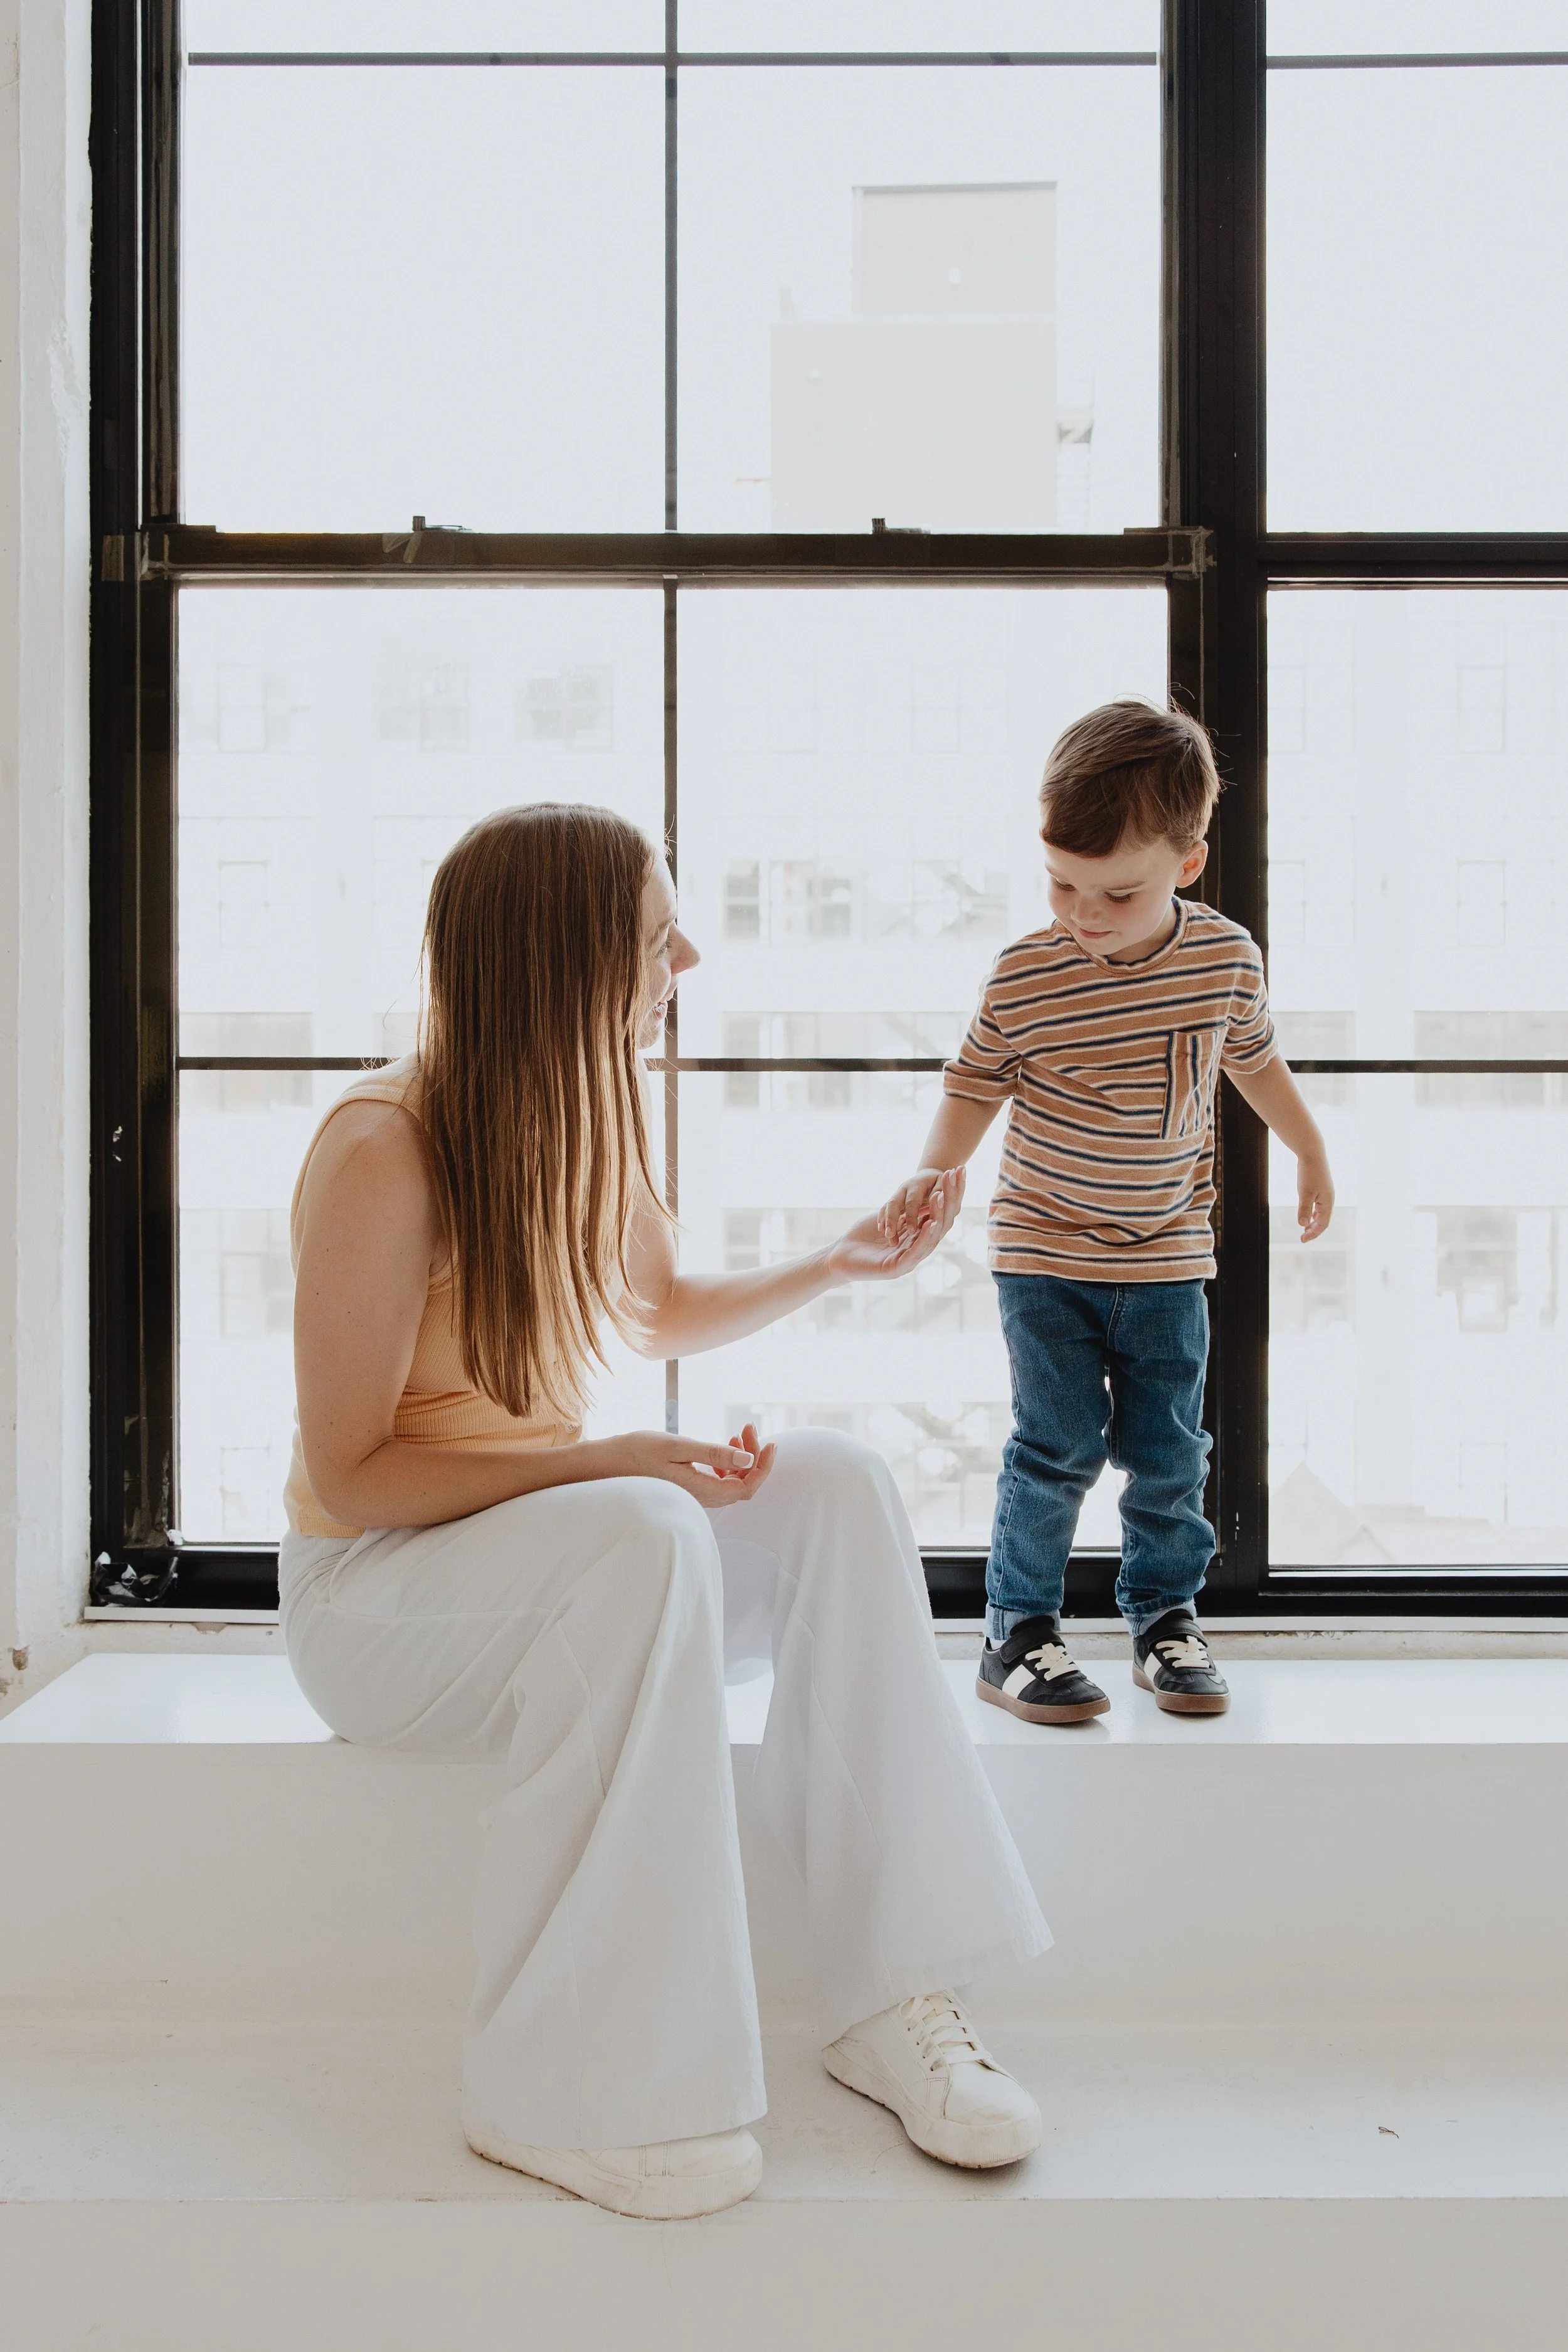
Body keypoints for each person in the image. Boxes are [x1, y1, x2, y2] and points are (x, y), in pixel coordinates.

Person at [280, 801, 1049, 2222]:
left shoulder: (585, 1110)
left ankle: (893, 2001)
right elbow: (354, 1476)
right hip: (376, 1603)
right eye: (652, 933)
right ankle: (567, 2090)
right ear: (559, 959)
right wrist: (609, 1465)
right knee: (637, 1530)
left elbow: (652, 1308)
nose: (684, 956)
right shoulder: (383, 1149)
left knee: (833, 1482)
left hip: (552, 1564)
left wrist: (836, 1263)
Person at [879, 701, 1333, 1725]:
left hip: (1171, 1255)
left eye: (1115, 893)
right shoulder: (1027, 973)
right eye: (1061, 883)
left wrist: (1309, 1143)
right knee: (1057, 1443)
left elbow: (1255, 1061)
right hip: (1044, 1252)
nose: (1082, 912)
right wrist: (932, 1171)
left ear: (1188, 861)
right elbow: (973, 1082)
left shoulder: (1224, 961)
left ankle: (1166, 1618)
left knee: (1172, 1453)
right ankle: (1018, 1630)